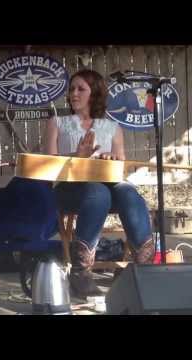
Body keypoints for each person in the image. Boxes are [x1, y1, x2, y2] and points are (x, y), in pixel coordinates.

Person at [45, 69, 154, 298]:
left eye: (80, 89)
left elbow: (119, 171)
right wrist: (78, 156)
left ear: (94, 94)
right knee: (98, 192)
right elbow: (50, 170)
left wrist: (111, 161)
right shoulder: (57, 123)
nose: (74, 93)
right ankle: (81, 272)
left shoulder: (113, 128)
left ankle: (145, 267)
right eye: (72, 89)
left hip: (106, 189)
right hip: (68, 190)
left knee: (128, 192)